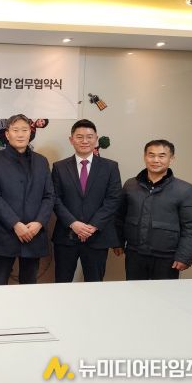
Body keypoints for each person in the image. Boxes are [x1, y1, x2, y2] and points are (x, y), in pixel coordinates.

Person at [115, 140, 192, 280]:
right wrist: (118, 242)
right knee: (134, 292)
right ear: (145, 157)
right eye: (151, 155)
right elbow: (119, 217)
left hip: (167, 258)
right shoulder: (130, 185)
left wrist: (184, 256)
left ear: (171, 159)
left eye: (162, 156)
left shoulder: (185, 190)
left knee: (165, 293)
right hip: (134, 254)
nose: (156, 160)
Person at [0, 114, 54, 285]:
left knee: (29, 285)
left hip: (34, 233)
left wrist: (38, 223)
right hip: (6, 233)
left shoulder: (41, 161)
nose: (20, 134)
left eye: (24, 130)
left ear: (30, 133)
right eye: (15, 130)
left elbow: (49, 196)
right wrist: (15, 224)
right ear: (7, 134)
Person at [51, 119, 122, 282]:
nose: (84, 141)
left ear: (96, 139)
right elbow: (54, 198)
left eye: (89, 137)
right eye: (79, 137)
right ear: (71, 140)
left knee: (95, 284)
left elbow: (113, 199)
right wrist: (73, 223)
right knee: (62, 283)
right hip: (66, 236)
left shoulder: (110, 167)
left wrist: (93, 226)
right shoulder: (59, 167)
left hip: (97, 237)